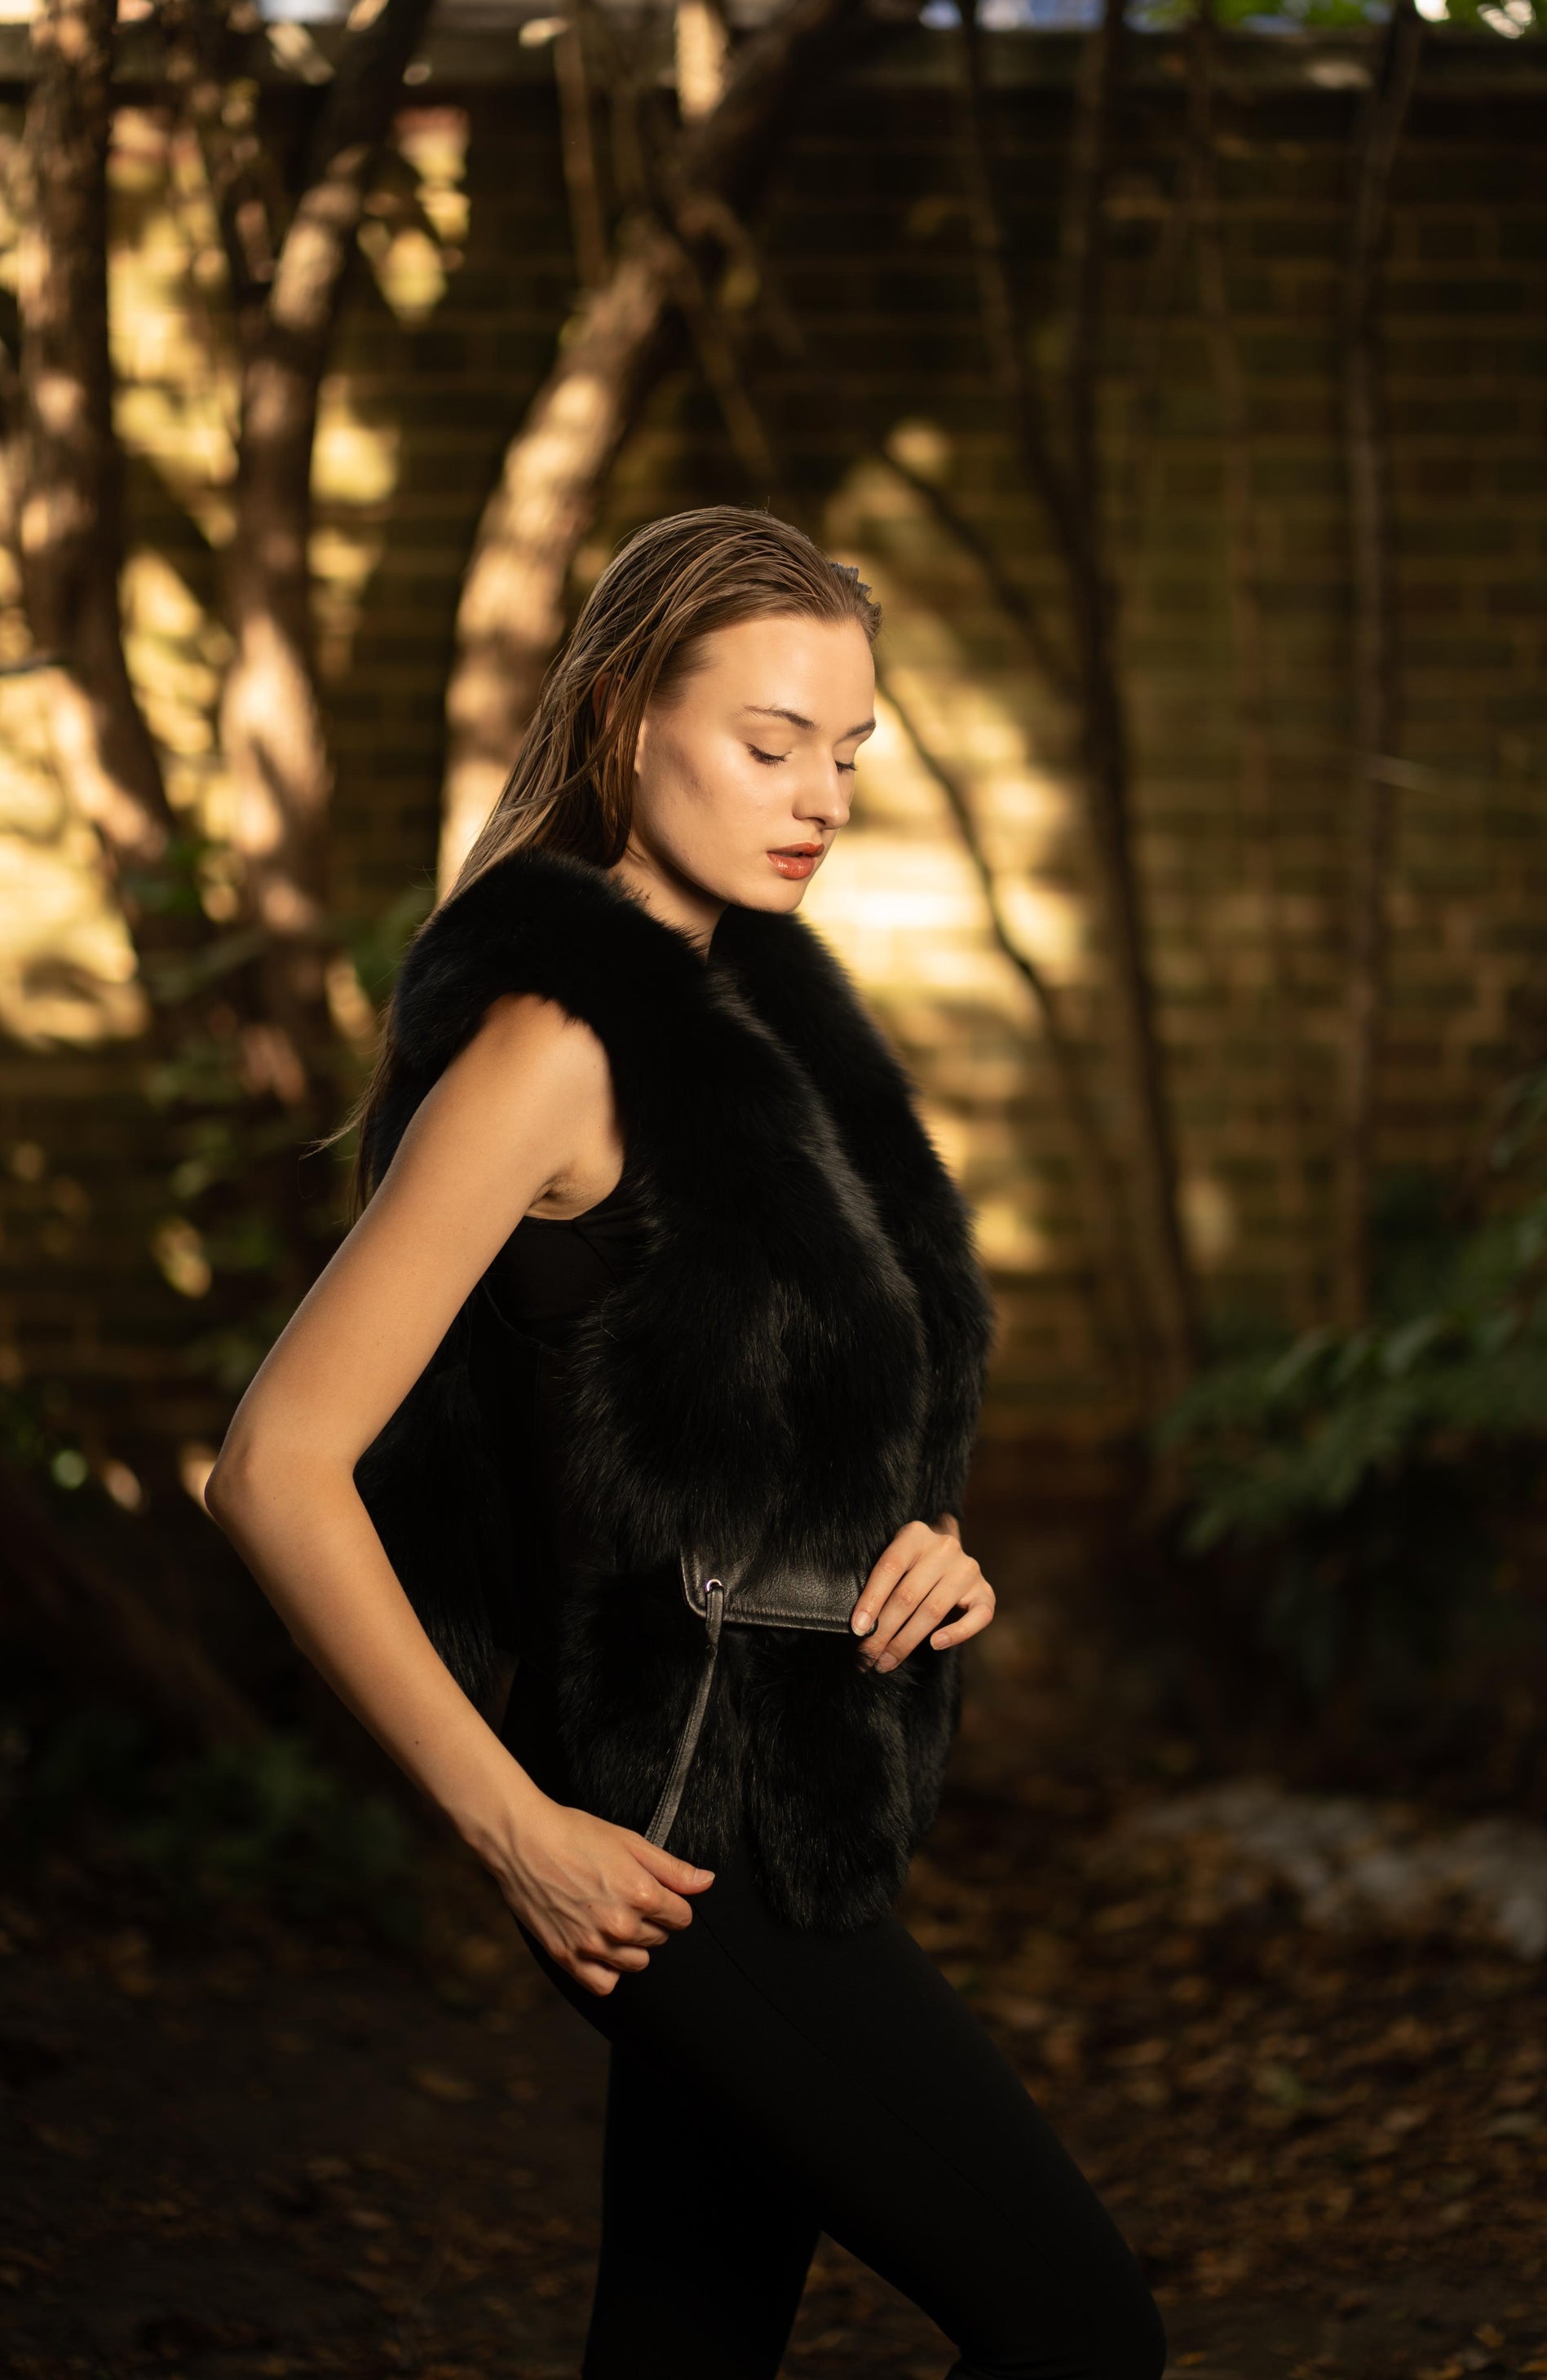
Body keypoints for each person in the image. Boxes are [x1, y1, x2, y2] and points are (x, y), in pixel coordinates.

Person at [205, 507, 1166, 2380]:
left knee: (682, 2339)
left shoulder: (767, 1039)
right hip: (665, 1827)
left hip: (793, 1792)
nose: (820, 798)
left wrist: (924, 1541)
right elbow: (276, 1462)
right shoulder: (556, 1045)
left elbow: (780, 1423)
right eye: (770, 740)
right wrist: (514, 1829)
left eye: (849, 752)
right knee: (1078, 2328)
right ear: (626, 717)